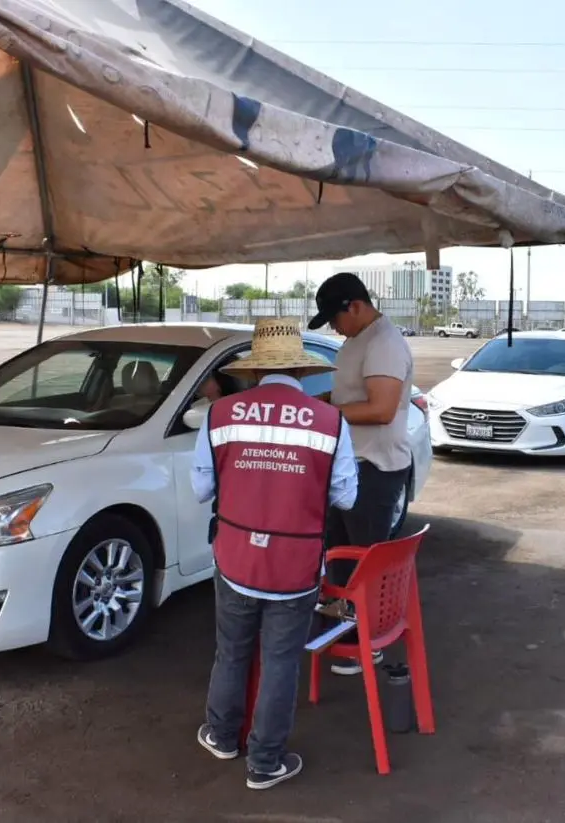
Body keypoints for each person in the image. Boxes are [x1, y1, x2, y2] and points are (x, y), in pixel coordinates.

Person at [190, 317, 358, 790]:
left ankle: (222, 736)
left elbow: (202, 487)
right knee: (281, 660)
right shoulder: (330, 421)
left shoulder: (220, 414)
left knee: (232, 650)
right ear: (302, 372)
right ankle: (265, 763)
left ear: (254, 371)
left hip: (235, 557)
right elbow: (346, 497)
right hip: (296, 565)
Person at [307, 272, 414, 676]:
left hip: (376, 469)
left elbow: (381, 410)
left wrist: (325, 414)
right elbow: (349, 397)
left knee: (364, 561)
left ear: (355, 305)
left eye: (334, 318)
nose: (333, 327)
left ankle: (366, 643)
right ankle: (344, 633)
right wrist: (317, 403)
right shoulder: (356, 341)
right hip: (351, 465)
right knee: (339, 558)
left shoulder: (384, 343)